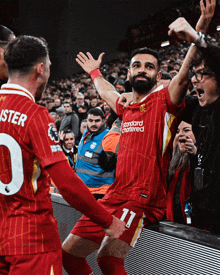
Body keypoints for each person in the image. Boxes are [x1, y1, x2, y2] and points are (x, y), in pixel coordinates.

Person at [62, 12, 206, 275]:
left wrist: (198, 35)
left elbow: (184, 76)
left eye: (149, 66)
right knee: (68, 254)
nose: (142, 70)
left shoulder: (165, 101)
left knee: (108, 259)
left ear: (158, 74)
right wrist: (94, 72)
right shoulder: (126, 105)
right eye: (137, 65)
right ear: (129, 72)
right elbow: (107, 91)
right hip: (113, 196)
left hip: (141, 199)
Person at [0, 35, 125, 275]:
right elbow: (66, 183)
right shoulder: (34, 115)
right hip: (31, 241)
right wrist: (107, 221)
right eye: (49, 66)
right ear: (41, 68)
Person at [75, 107, 115, 199]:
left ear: (103, 121)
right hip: (84, 189)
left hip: (100, 192)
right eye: (90, 120)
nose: (93, 124)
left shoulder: (109, 137)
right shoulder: (86, 133)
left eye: (97, 121)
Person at [166, 121, 196, 224]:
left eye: (186, 130)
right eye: (177, 131)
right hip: (174, 224)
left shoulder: (204, 160)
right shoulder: (172, 161)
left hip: (196, 228)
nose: (181, 134)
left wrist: (195, 154)